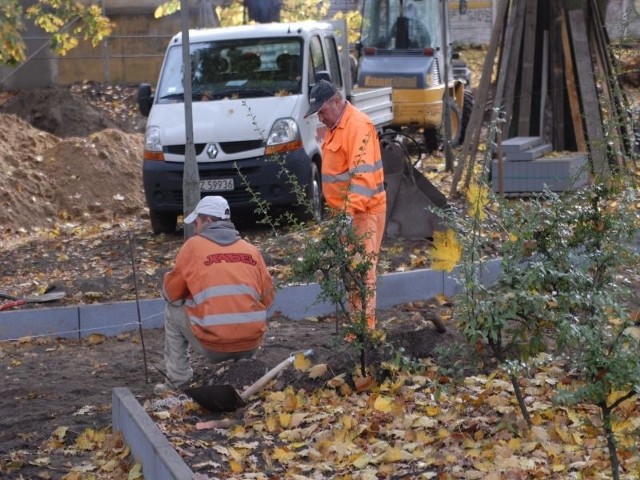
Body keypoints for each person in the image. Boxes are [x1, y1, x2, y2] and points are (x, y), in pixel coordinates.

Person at [155, 196, 275, 393]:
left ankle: (177, 381)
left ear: (208, 221)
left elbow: (171, 293)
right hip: (250, 345)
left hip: (214, 347)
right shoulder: (251, 250)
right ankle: (243, 368)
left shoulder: (194, 247)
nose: (194, 229)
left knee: (172, 310)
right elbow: (268, 298)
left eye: (196, 222)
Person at [304, 79, 386, 330]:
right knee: (352, 273)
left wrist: (347, 215)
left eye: (323, 111)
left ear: (337, 102)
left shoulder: (358, 126)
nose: (321, 118)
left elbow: (362, 179)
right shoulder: (336, 126)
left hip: (362, 213)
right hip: (348, 214)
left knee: (361, 273)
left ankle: (364, 330)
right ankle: (356, 328)